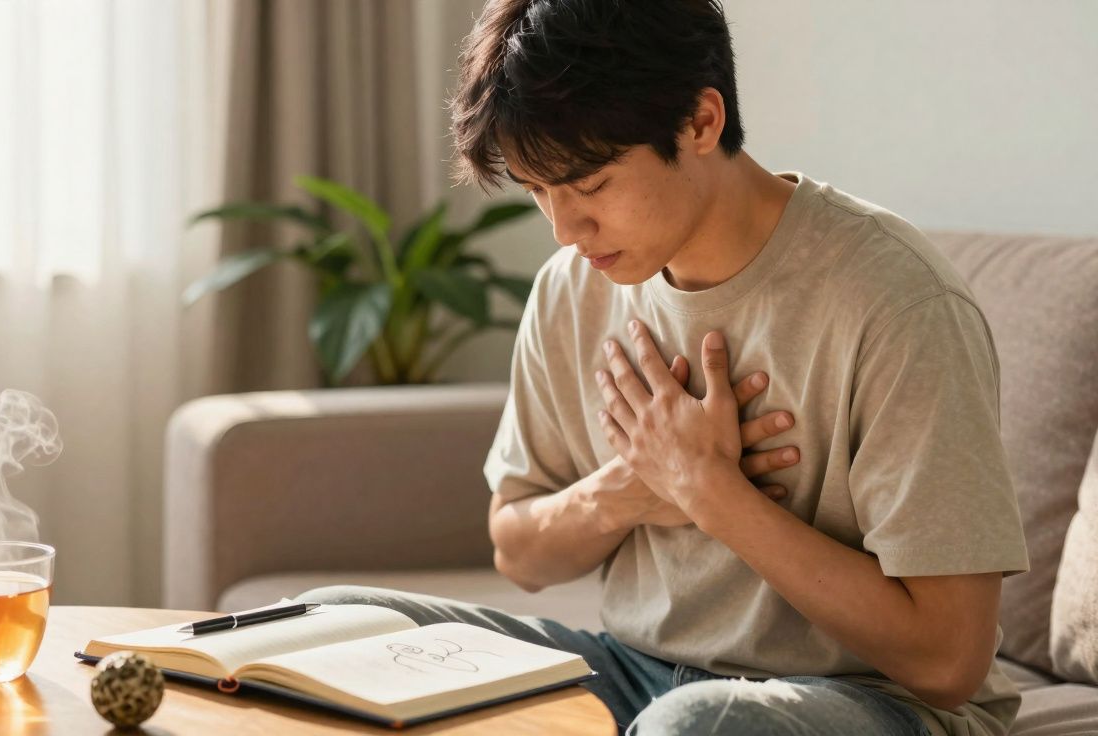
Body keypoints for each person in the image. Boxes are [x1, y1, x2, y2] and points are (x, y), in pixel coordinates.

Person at [299, 2, 1029, 734]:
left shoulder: (894, 301)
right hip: (632, 669)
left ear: (700, 123)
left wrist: (711, 491)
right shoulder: (571, 288)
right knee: (330, 627)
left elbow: (947, 661)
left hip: (863, 701)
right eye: (536, 191)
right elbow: (517, 548)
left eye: (589, 185)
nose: (564, 229)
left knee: (697, 725)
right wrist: (628, 490)